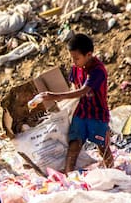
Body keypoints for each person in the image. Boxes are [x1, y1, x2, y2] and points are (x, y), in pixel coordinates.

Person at [30, 33, 114, 172]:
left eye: (77, 58)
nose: (74, 62)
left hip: (97, 114)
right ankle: (69, 177)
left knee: (102, 146)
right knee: (74, 144)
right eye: (72, 58)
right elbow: (74, 87)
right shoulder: (76, 68)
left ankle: (112, 172)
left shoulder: (97, 71)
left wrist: (54, 96)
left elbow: (82, 91)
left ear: (89, 55)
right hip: (80, 112)